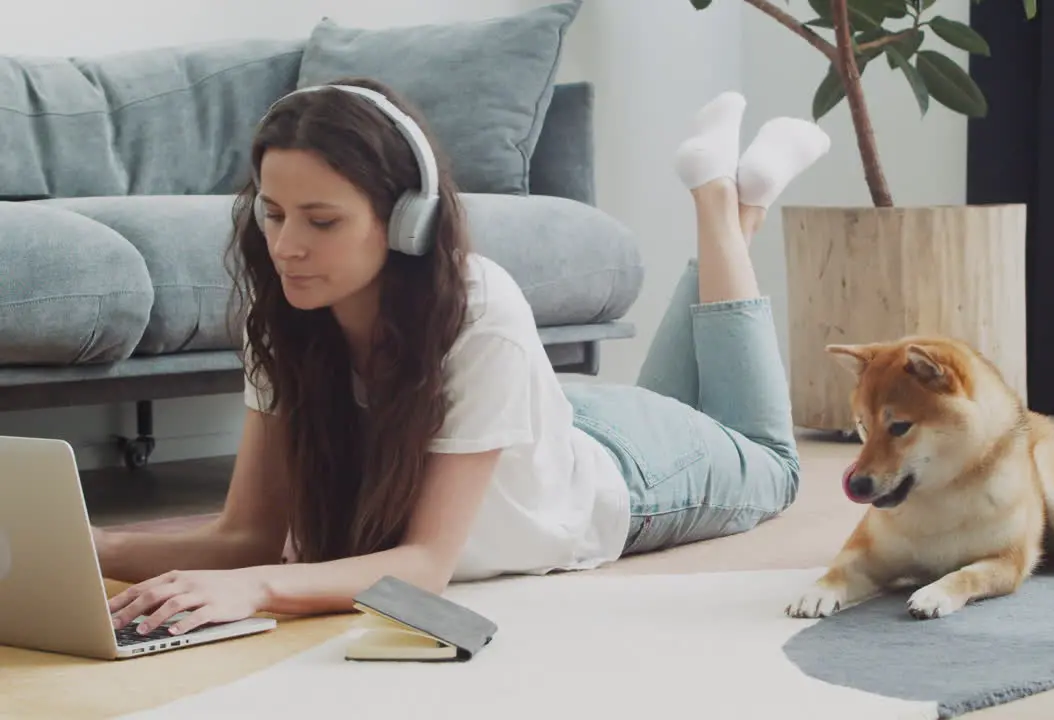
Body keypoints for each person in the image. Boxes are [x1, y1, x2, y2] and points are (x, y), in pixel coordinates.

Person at [92, 77, 832, 636]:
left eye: (321, 221)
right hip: (538, 428)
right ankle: (740, 206)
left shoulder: (478, 311)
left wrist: (256, 589)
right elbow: (248, 535)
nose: (286, 246)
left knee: (771, 464)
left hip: (628, 476)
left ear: (407, 221)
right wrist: (88, 544)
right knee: (705, 407)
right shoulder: (284, 316)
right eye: (274, 214)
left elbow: (424, 568)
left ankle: (718, 204)